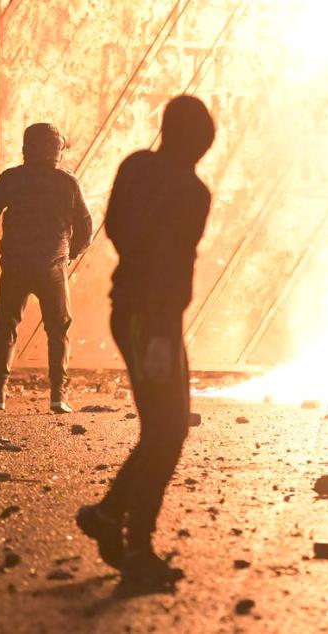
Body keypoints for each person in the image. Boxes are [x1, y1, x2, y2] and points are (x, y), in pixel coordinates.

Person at [76, 94, 215, 592]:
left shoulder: (135, 167)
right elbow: (176, 264)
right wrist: (161, 333)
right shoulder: (192, 191)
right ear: (199, 139)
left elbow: (116, 229)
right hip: (153, 320)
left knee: (163, 428)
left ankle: (111, 514)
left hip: (131, 310)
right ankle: (135, 544)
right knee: (167, 430)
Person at [0, 123, 92, 414]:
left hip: (16, 265)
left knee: (7, 326)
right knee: (58, 329)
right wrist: (70, 254)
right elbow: (86, 226)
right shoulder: (68, 182)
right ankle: (57, 396)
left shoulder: (12, 179)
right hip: (52, 267)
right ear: (57, 151)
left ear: (27, 148)